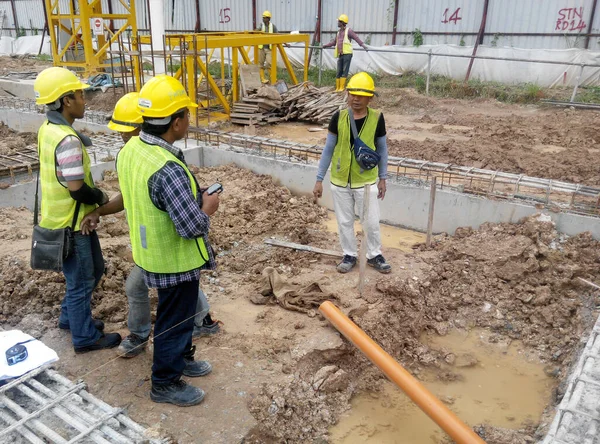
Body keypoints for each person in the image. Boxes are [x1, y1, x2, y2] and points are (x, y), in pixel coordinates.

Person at [80, 93, 220, 360]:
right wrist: (206, 208)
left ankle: (194, 328)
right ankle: (166, 356)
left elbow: (173, 208)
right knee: (176, 304)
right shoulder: (139, 156)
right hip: (158, 250)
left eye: (126, 131)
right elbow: (134, 196)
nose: (123, 137)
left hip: (162, 251)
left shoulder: (148, 157)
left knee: (179, 301)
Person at [116, 75, 220, 407]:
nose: (189, 120)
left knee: (182, 315)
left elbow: (149, 199)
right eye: (187, 115)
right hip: (173, 260)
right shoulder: (168, 168)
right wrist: (206, 206)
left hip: (149, 252)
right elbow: (191, 226)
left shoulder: (133, 147)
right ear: (176, 122)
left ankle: (182, 359)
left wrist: (191, 197)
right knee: (174, 320)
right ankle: (164, 382)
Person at [33, 67, 122, 353]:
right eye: (80, 94)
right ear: (66, 100)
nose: (85, 99)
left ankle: (70, 318)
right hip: (72, 224)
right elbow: (76, 188)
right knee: (82, 278)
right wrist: (100, 196)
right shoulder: (67, 140)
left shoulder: (48, 129)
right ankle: (84, 337)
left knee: (93, 270)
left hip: (60, 218)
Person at [312, 72, 391, 274]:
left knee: (371, 221)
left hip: (366, 181)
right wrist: (319, 179)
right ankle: (349, 254)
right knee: (345, 221)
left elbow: (382, 150)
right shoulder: (338, 117)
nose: (356, 99)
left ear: (370, 98)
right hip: (340, 181)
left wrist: (383, 178)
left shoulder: (377, 118)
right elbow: (328, 149)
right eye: (353, 94)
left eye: (361, 95)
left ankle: (374, 255)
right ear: (347, 94)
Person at [322, 14, 368, 92]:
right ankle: (337, 88)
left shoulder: (348, 31)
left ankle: (342, 88)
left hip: (347, 54)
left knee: (344, 71)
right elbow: (334, 42)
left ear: (342, 22)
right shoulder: (338, 32)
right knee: (339, 71)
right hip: (340, 54)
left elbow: (356, 38)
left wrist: (363, 45)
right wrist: (325, 45)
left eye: (339, 21)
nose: (337, 23)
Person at [256, 10, 278, 84]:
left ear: (269, 18)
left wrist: (285, 43)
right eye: (263, 18)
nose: (263, 19)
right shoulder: (261, 25)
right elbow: (256, 31)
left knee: (269, 63)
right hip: (261, 48)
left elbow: (278, 36)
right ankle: (262, 79)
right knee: (260, 64)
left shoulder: (273, 26)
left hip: (269, 48)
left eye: (265, 18)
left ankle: (273, 78)